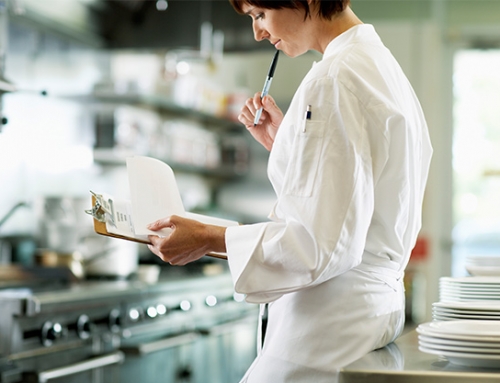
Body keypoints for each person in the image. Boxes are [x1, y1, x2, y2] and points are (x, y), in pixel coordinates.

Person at [147, 0, 433, 381]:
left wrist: (207, 237)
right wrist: (288, 143)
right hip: (364, 317)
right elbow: (358, 188)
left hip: (327, 328)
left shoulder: (334, 77)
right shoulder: (379, 65)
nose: (258, 32)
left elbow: (314, 244)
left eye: (259, 15)